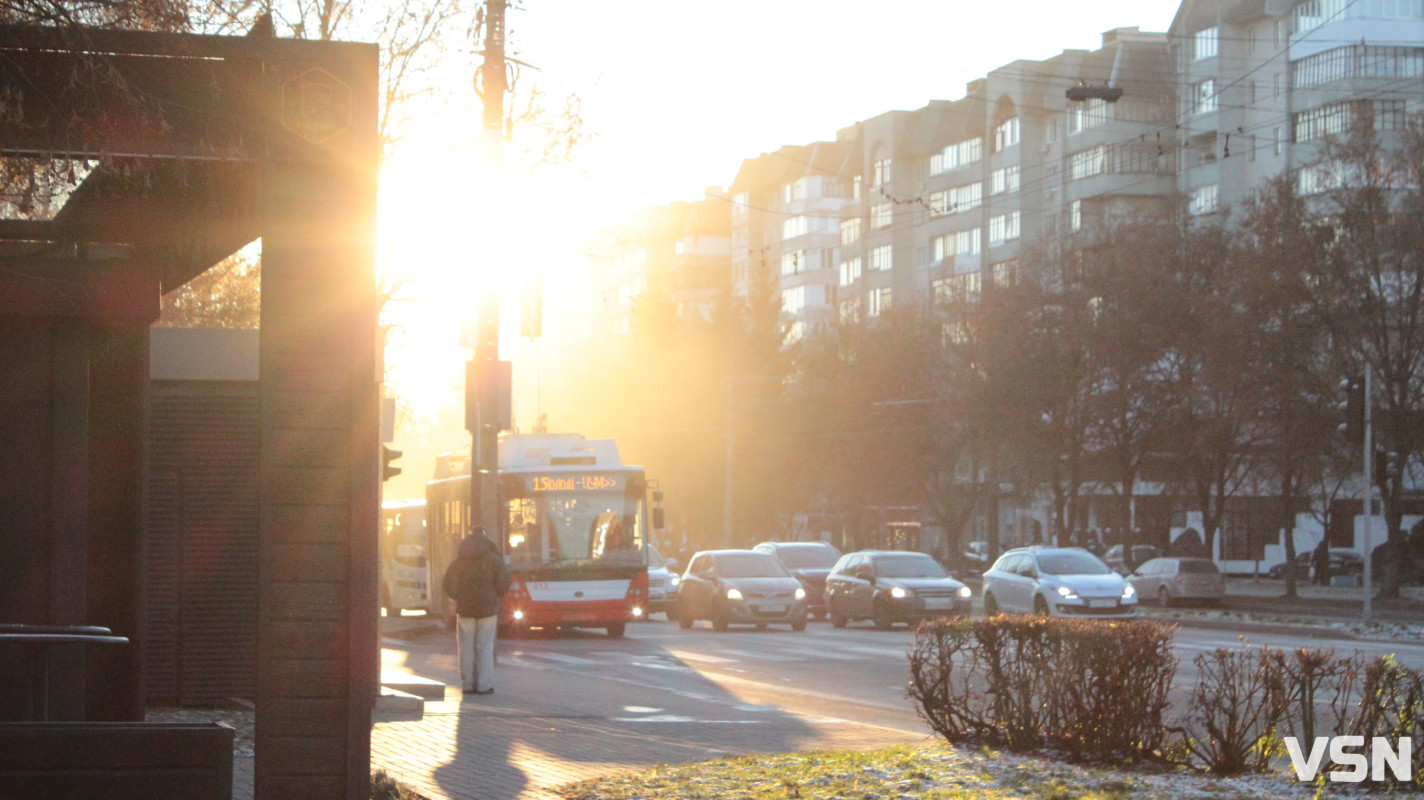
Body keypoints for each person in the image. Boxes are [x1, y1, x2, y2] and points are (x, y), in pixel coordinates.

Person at [442, 527, 511, 696]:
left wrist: (458, 596)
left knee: (465, 647)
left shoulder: (460, 561)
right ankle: (483, 685)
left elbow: (448, 582)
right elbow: (504, 583)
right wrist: (495, 596)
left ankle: (467, 684)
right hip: (488, 610)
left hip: (465, 609)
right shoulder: (495, 560)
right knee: (485, 648)